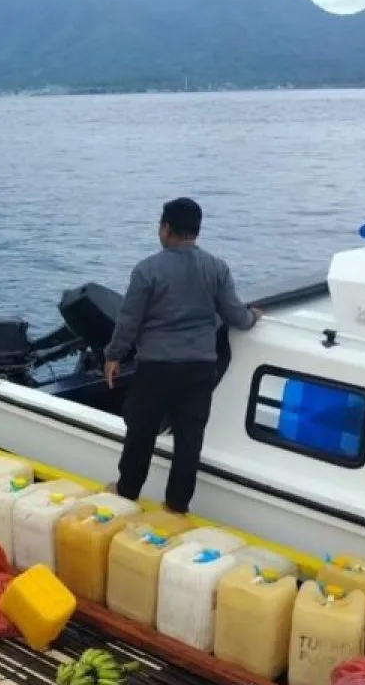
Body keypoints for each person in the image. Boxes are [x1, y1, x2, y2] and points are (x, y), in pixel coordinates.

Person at [103, 197, 262, 515]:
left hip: (157, 368)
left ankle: (126, 492)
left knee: (141, 432)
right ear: (197, 231)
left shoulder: (147, 270)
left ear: (165, 228)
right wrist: (253, 317)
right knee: (189, 439)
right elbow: (235, 314)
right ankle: (176, 505)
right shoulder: (217, 268)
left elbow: (129, 320)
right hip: (200, 368)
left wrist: (113, 356)